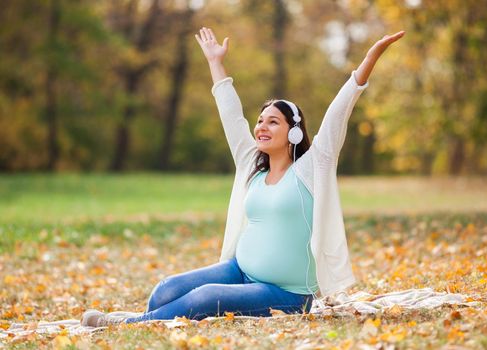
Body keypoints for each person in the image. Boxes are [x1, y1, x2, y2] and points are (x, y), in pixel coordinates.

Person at [81, 26, 404, 327]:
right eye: (260, 120)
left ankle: (127, 324)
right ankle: (154, 315)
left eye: (273, 122)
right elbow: (231, 114)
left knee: (205, 298)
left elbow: (338, 112)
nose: (261, 127)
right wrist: (215, 63)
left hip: (286, 294)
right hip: (240, 270)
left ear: (293, 131)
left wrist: (368, 60)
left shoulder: (311, 166)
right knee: (165, 290)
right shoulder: (252, 162)